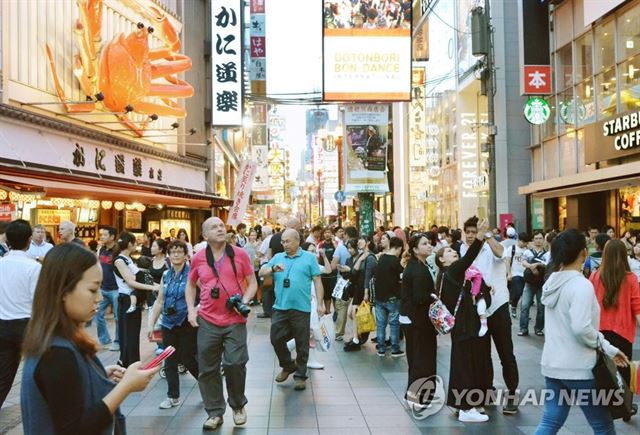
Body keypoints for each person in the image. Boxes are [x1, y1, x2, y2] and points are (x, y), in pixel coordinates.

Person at [21, 243, 159, 434]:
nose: (100, 298)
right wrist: (126, 387)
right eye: (93, 289)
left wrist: (96, 374)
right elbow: (75, 429)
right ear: (63, 290)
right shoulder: (57, 352)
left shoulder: (56, 341)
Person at [535, 229, 630, 434]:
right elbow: (581, 327)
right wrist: (608, 348)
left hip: (553, 365)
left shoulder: (551, 283)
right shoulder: (581, 286)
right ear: (583, 253)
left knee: (550, 423)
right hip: (580, 368)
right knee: (603, 425)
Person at [185, 217, 257, 430]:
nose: (220, 229)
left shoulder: (239, 254)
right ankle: (215, 412)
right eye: (214, 227)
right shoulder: (198, 258)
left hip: (235, 319)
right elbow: (190, 285)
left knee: (235, 363)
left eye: (221, 226)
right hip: (207, 319)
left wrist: (244, 302)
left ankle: (237, 405)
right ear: (205, 235)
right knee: (207, 369)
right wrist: (191, 309)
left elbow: (252, 283)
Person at [460, 216, 519, 414]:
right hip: (478, 310)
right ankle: (487, 392)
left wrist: (486, 235)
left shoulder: (491, 245)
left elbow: (501, 253)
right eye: (467, 232)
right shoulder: (463, 250)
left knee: (505, 353)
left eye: (473, 232)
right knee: (482, 355)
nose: (470, 236)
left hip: (499, 305)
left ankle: (512, 394)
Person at [436, 218, 493, 423]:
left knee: (461, 364)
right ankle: (466, 408)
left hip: (461, 325)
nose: (454, 252)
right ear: (443, 260)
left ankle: (461, 404)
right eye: (450, 252)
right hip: (464, 325)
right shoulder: (452, 271)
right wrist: (479, 237)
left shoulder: (447, 275)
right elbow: (469, 257)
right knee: (464, 366)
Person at [259, 229, 325, 391]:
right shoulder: (278, 257)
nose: (284, 244)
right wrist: (273, 269)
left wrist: (320, 304)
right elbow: (262, 272)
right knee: (276, 338)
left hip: (301, 308)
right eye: (282, 241)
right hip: (280, 307)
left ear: (297, 241)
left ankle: (301, 375)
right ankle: (288, 365)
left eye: (287, 241)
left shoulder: (309, 258)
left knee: (302, 343)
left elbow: (317, 281)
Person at [588, 239, 640, 416]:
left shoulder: (595, 276)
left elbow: (590, 304)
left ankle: (604, 407)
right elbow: (637, 308)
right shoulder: (631, 279)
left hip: (600, 333)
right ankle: (626, 408)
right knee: (624, 373)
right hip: (624, 333)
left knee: (603, 371)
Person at [148, 240, 199, 410]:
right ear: (169, 255)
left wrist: (196, 311)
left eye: (179, 251)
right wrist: (151, 324)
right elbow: (160, 301)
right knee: (169, 359)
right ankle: (173, 396)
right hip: (168, 323)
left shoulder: (193, 273)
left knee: (188, 358)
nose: (176, 255)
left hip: (186, 322)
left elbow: (205, 294)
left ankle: (207, 385)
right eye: (173, 252)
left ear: (186, 255)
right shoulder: (166, 275)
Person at [0, 220, 41, 408]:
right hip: (27, 326)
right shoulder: (33, 267)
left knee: (4, 378)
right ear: (29, 240)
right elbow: (37, 301)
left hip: (2, 326)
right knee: (37, 373)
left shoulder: (1, 264)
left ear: (7, 240)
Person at [112, 232, 161, 367]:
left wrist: (156, 286)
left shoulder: (128, 260)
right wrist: (152, 288)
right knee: (129, 334)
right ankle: (128, 363)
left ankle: (130, 363)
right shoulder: (119, 260)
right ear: (129, 244)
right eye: (134, 242)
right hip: (127, 299)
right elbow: (130, 281)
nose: (136, 244)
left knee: (132, 333)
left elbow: (138, 277)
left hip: (133, 299)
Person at [401, 233, 437, 406]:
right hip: (419, 320)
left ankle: (415, 394)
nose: (429, 246)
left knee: (417, 356)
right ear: (415, 249)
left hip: (415, 319)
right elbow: (419, 297)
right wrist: (433, 297)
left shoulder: (418, 266)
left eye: (429, 243)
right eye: (424, 244)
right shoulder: (418, 270)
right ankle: (417, 396)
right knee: (421, 356)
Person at [344, 236, 377, 351]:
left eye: (361, 240)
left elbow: (368, 276)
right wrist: (360, 259)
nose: (359, 242)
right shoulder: (361, 256)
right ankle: (359, 335)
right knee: (352, 313)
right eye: (358, 240)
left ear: (368, 242)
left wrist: (366, 292)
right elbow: (353, 272)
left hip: (364, 289)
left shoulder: (371, 257)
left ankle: (356, 339)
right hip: (358, 288)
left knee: (355, 312)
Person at [373, 237, 405, 357]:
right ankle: (395, 349)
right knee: (394, 324)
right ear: (399, 248)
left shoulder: (381, 258)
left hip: (379, 297)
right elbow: (402, 277)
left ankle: (381, 349)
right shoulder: (395, 261)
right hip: (392, 298)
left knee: (381, 324)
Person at [96, 226, 120, 352]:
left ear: (112, 237)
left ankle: (118, 341)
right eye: (101, 235)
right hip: (102, 288)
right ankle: (105, 340)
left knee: (118, 317)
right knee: (97, 313)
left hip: (116, 289)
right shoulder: (101, 250)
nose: (102, 237)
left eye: (104, 235)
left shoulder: (118, 251)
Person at [519, 231, 547, 336]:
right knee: (524, 306)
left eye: (540, 238)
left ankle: (538, 328)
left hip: (541, 283)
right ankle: (523, 328)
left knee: (541, 308)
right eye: (536, 238)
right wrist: (531, 266)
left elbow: (548, 265)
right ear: (533, 240)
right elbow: (523, 262)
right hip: (529, 283)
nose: (538, 240)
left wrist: (537, 264)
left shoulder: (547, 253)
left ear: (543, 240)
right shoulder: (528, 252)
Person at [506, 232, 529, 319]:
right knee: (518, 292)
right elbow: (507, 261)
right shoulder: (512, 248)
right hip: (516, 274)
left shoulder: (527, 250)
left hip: (526, 275)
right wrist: (509, 273)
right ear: (518, 240)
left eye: (526, 242)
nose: (524, 244)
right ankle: (513, 306)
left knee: (525, 296)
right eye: (523, 242)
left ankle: (524, 313)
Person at [258, 225, 274, 318]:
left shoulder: (266, 240)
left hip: (265, 266)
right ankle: (270, 309)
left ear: (264, 233)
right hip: (270, 266)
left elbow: (260, 253)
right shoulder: (272, 238)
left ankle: (267, 311)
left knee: (265, 289)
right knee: (270, 289)